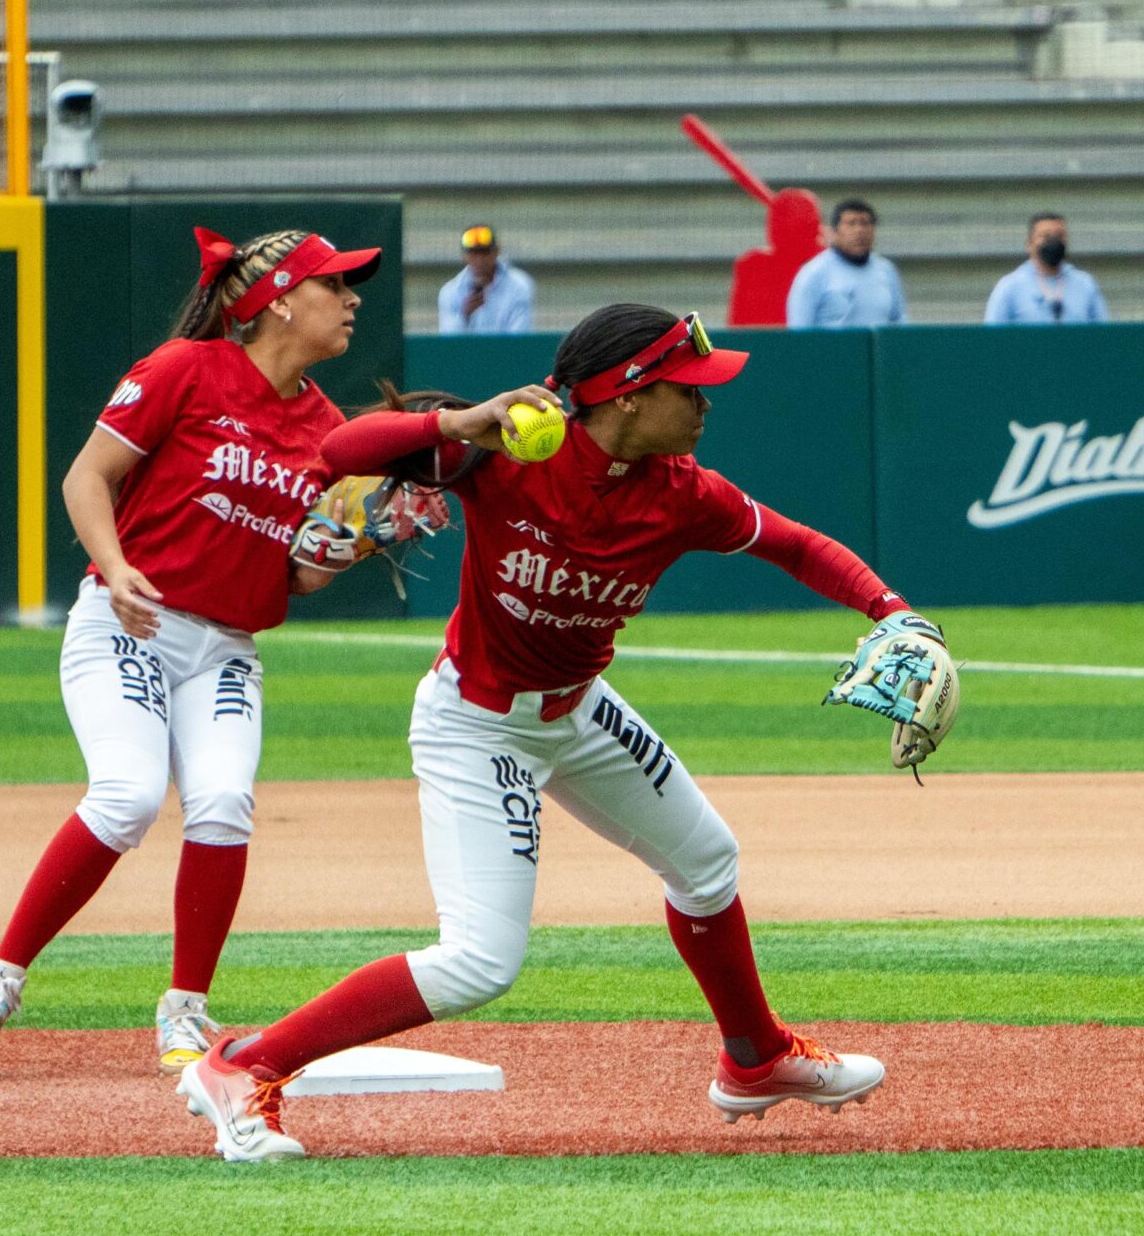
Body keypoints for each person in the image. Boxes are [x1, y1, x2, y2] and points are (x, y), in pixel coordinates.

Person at [175, 303, 940, 1161]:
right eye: (687, 389)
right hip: (477, 725)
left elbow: (796, 547)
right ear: (624, 398)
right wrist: (460, 422)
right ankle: (244, 1064)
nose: (705, 404)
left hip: (576, 709)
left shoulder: (683, 494)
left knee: (706, 860)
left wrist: (894, 611)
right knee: (478, 962)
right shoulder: (503, 455)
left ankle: (755, 1060)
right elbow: (341, 453)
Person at [0, 226, 446, 1075]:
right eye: (335, 285)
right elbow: (85, 477)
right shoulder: (185, 369)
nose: (354, 299)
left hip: (226, 648)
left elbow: (295, 578)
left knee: (222, 803)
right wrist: (114, 563)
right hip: (127, 621)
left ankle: (185, 1011)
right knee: (130, 795)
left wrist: (361, 538)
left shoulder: (323, 429)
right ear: (278, 297)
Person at [785, 199, 906, 328]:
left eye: (865, 223)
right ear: (833, 232)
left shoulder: (886, 271)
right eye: (851, 224)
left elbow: (899, 324)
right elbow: (799, 332)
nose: (859, 230)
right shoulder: (813, 273)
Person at [984, 213, 1109, 325]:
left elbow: (1103, 335)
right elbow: (992, 339)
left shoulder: (1085, 284)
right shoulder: (1010, 286)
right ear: (1029, 244)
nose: (1054, 242)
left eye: (1059, 236)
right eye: (1046, 237)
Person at [435, 225, 535, 334]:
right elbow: (447, 340)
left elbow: (519, 334)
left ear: (497, 252)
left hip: (507, 350)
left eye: (485, 252)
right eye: (473, 253)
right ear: (464, 256)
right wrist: (464, 315)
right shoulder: (451, 291)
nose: (479, 259)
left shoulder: (519, 285)